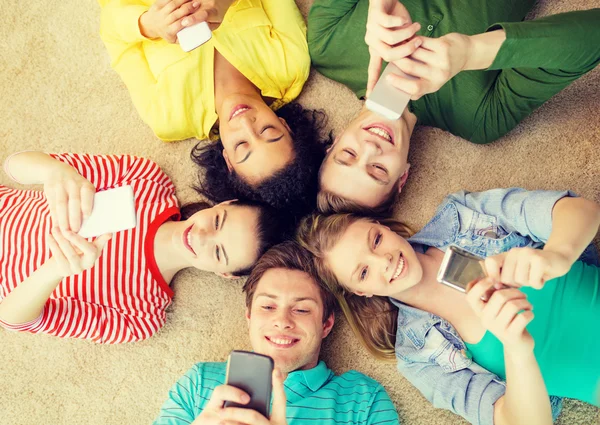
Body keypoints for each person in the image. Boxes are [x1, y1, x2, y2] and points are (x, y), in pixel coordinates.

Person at [297, 188, 600, 425]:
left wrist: (557, 254)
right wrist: (516, 350)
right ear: (359, 292)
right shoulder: (417, 358)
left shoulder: (461, 215)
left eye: (375, 241)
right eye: (363, 272)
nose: (384, 260)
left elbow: (580, 210)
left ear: (382, 227)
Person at [308, 0, 600, 214]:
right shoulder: (479, 120)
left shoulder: (326, 45)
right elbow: (592, 36)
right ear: (402, 178)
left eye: (348, 154)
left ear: (330, 146)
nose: (371, 147)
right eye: (377, 170)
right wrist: (473, 52)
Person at [0, 151, 289, 343]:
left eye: (218, 252)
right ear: (223, 204)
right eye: (216, 222)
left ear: (224, 273)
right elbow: (13, 165)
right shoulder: (146, 180)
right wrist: (54, 170)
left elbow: (11, 319)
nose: (200, 236)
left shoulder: (141, 316)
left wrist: (52, 272)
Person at [99, 0, 331, 212]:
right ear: (285, 125)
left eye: (241, 145)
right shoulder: (290, 64)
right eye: (268, 130)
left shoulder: (168, 118)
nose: (245, 122)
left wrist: (149, 25)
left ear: (227, 160)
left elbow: (112, 32)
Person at [153, 241, 400, 424]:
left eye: (302, 309)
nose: (282, 321)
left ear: (326, 324)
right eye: (268, 306)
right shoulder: (198, 384)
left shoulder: (362, 399)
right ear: (249, 317)